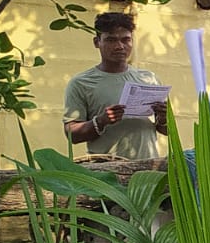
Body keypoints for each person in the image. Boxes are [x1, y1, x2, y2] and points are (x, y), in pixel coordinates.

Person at [63, 12, 169, 159]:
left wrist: (164, 118)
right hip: (106, 171)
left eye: (126, 40)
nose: (119, 46)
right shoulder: (81, 83)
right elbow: (71, 134)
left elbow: (165, 130)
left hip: (148, 170)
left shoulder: (149, 79)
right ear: (96, 42)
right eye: (111, 40)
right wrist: (101, 121)